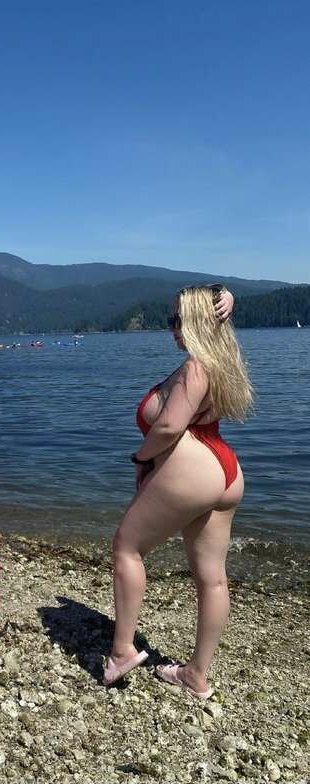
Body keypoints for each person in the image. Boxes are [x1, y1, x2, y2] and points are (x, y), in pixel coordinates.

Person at [103, 284, 253, 698]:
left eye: (177, 319)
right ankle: (196, 675)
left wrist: (141, 458)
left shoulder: (195, 367)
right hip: (226, 470)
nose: (171, 327)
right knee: (212, 578)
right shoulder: (222, 361)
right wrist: (227, 295)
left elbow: (169, 426)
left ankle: (122, 650)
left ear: (198, 321)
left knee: (127, 548)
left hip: (192, 468)